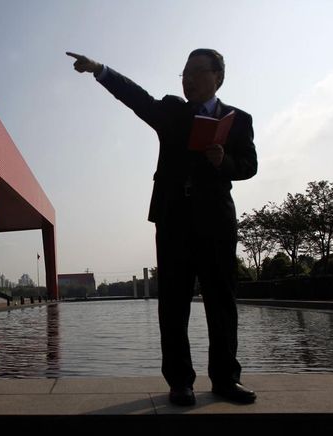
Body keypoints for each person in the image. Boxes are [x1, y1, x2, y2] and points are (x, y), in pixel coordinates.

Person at [66, 49, 257, 405]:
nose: (187, 79)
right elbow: (137, 98)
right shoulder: (171, 111)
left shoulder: (239, 120)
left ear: (218, 76)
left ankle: (226, 379)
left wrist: (224, 161)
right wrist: (101, 70)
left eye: (196, 72)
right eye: (184, 73)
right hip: (174, 221)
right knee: (173, 304)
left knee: (221, 302)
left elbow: (249, 165)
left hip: (216, 222)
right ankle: (180, 382)